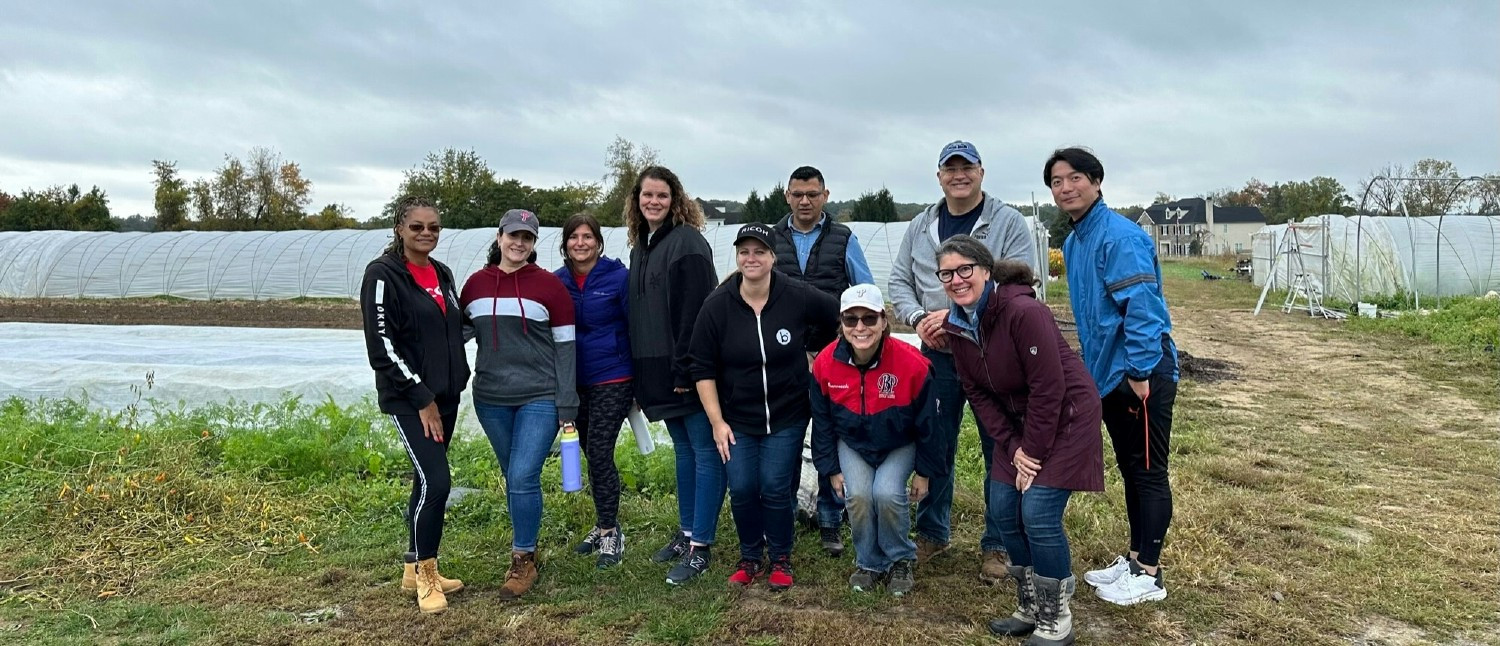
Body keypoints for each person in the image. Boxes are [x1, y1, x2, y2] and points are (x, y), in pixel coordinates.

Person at [939, 236, 1103, 645]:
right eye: (947, 274)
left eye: (965, 270)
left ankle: (1056, 616)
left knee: (1039, 514)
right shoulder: (956, 326)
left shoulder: (1023, 311)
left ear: (986, 271)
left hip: (1065, 417)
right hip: (1016, 428)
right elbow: (977, 393)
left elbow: (1050, 387)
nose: (957, 280)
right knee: (1003, 509)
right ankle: (1030, 605)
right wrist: (1014, 448)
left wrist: (1032, 452)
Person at [888, 140, 1037, 581]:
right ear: (939, 176)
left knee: (1000, 446)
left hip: (992, 353)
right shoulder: (921, 225)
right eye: (950, 169)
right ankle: (932, 533)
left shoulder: (1007, 222)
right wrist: (918, 319)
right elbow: (899, 280)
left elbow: (1017, 282)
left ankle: (999, 543)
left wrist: (953, 318)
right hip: (936, 357)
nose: (958, 175)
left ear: (981, 172)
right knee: (936, 443)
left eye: (966, 168)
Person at [1047, 147, 1178, 606]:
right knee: (1130, 468)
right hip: (1107, 374)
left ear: (1097, 181)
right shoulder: (1076, 240)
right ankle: (1135, 556)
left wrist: (1140, 372)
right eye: (1057, 181)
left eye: (1075, 177)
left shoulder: (1118, 237)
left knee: (1148, 471)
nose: (1066, 187)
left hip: (1139, 373)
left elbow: (1143, 309)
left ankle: (1149, 573)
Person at [688, 222, 840, 591]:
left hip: (787, 413)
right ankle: (750, 556)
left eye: (759, 251)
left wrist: (812, 349)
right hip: (737, 418)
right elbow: (701, 368)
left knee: (774, 487)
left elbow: (836, 313)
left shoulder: (795, 295)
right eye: (744, 251)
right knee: (741, 487)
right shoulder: (718, 306)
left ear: (773, 257)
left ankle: (781, 557)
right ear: (737, 256)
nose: (751, 258)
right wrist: (717, 421)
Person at [359, 196, 471, 614]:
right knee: (438, 483)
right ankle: (427, 574)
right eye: (418, 227)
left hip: (447, 395)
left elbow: (454, 327)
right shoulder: (384, 275)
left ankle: (413, 565)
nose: (426, 234)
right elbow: (382, 346)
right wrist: (422, 397)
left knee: (424, 482)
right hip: (411, 399)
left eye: (434, 228)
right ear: (399, 229)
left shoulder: (441, 273)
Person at [460, 208, 578, 601]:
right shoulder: (476, 285)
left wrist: (567, 403)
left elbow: (565, 349)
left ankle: (522, 557)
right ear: (499, 237)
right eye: (513, 236)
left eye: (527, 238)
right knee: (513, 474)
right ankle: (526, 544)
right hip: (491, 398)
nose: (519, 243)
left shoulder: (549, 287)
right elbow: (454, 336)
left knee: (524, 474)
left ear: (534, 244)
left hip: (539, 396)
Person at [624, 166, 725, 585]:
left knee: (705, 451)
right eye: (647, 195)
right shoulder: (641, 245)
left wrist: (688, 366)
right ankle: (687, 533)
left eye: (662, 195)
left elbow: (696, 311)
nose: (653, 202)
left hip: (687, 369)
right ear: (637, 200)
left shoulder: (687, 243)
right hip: (656, 368)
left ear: (676, 199)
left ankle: (701, 545)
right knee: (684, 450)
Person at [810, 283, 943, 596]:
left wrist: (924, 472)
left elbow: (929, 425)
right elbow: (823, 422)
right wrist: (830, 468)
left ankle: (900, 558)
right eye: (850, 319)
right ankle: (869, 562)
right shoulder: (825, 364)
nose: (860, 327)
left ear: (884, 321)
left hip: (899, 442)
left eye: (869, 319)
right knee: (858, 496)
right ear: (840, 325)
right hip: (852, 443)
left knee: (885, 493)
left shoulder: (913, 364)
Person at [770, 165, 875, 558]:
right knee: (787, 435)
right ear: (787, 195)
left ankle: (831, 519)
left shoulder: (843, 239)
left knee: (831, 436)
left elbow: (864, 292)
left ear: (825, 195)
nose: (805, 201)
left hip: (834, 356)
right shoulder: (772, 239)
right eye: (798, 194)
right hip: (784, 356)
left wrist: (845, 342)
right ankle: (787, 513)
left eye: (812, 194)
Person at [554, 213, 633, 569]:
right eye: (574, 237)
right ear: (565, 243)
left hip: (613, 376)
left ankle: (608, 532)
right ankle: (605, 521)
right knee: (589, 450)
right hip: (574, 381)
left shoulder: (618, 278)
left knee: (600, 451)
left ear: (599, 242)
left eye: (588, 237)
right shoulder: (557, 282)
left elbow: (636, 326)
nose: (581, 243)